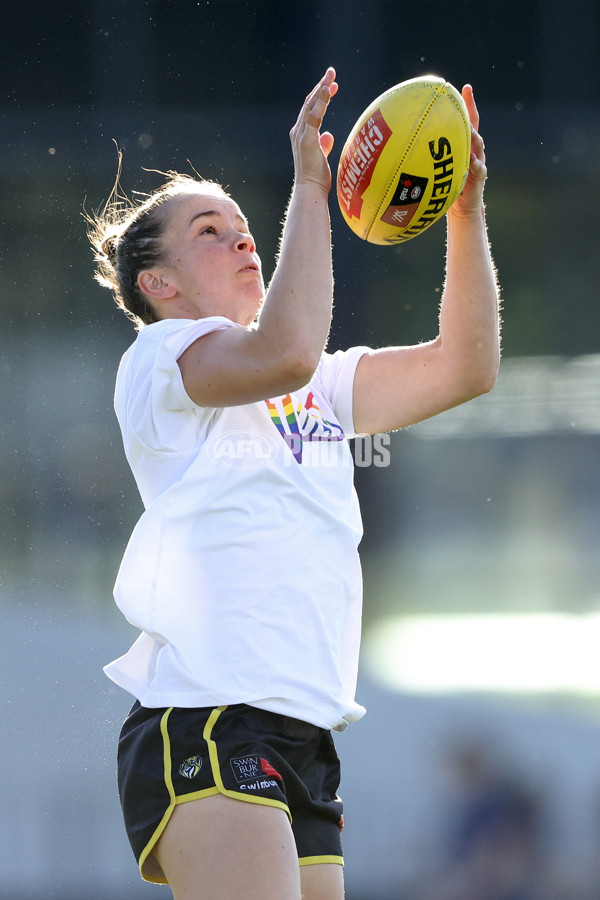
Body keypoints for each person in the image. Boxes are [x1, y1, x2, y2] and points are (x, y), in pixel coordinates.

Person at [88, 67, 500, 900]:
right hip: (207, 716)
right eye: (212, 230)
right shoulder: (161, 359)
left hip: (302, 732)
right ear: (157, 285)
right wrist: (309, 188)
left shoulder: (314, 384)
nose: (244, 239)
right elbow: (285, 346)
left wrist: (465, 212)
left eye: (245, 226)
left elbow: (467, 368)